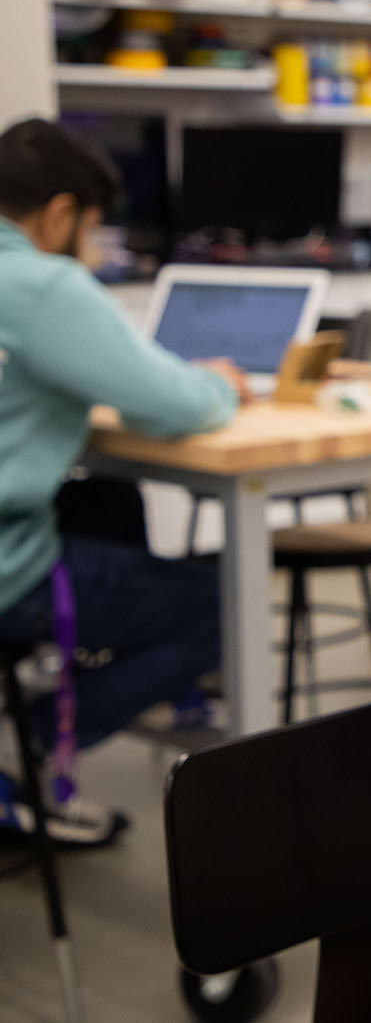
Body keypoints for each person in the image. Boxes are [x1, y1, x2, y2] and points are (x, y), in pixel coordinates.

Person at [0, 118, 245, 845]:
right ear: (60, 215)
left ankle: (57, 685)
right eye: (93, 229)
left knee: (109, 500)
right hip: (9, 570)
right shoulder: (43, 283)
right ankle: (30, 747)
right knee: (224, 603)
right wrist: (221, 383)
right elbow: (176, 403)